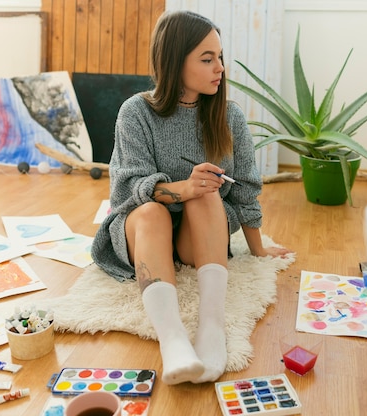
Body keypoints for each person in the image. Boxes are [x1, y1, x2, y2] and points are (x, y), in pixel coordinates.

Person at [91, 10, 292, 385]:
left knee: (208, 194)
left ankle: (211, 329)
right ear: (173, 61)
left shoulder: (229, 116)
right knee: (153, 211)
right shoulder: (136, 112)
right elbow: (129, 187)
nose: (220, 67)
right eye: (206, 58)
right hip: (145, 230)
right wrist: (183, 186)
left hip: (196, 235)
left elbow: (246, 188)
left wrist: (258, 248)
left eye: (219, 56)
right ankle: (173, 341)